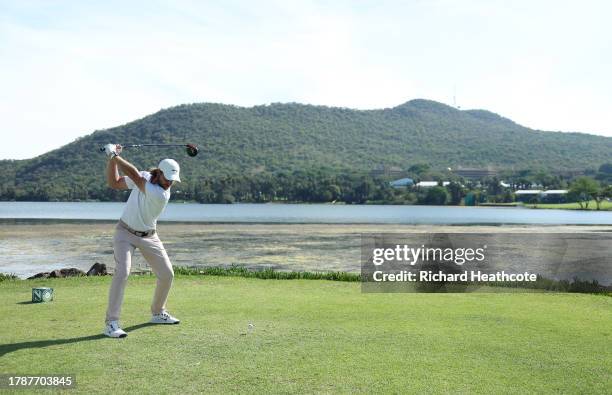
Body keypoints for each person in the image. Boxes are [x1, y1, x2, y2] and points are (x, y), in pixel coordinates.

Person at [102, 143, 181, 338]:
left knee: (167, 274)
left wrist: (114, 156)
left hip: (149, 236)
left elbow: (135, 176)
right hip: (125, 233)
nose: (170, 183)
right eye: (167, 178)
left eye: (173, 180)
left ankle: (157, 312)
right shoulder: (146, 178)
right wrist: (111, 161)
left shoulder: (161, 194)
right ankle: (111, 323)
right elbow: (115, 182)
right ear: (159, 173)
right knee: (122, 272)